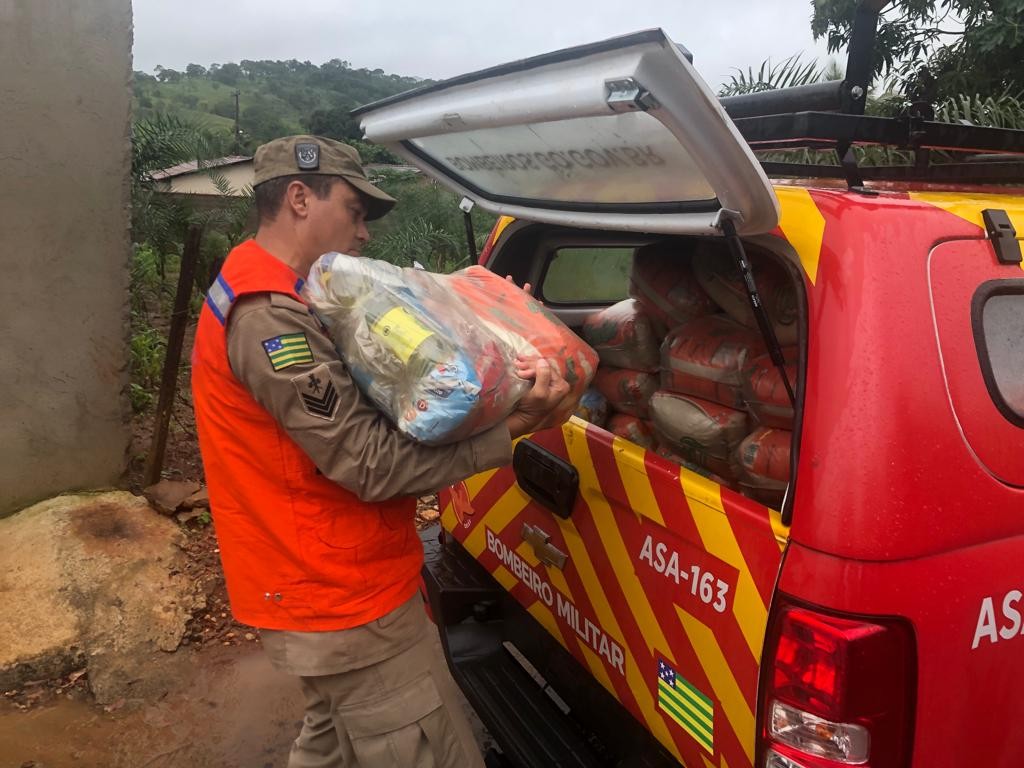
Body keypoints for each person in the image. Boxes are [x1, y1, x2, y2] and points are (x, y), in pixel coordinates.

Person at [191, 135, 570, 768]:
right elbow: (368, 463)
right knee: (426, 745)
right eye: (356, 210)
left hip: (323, 586)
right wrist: (513, 427)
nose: (364, 234)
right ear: (298, 198)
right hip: (341, 596)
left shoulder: (282, 289)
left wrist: (486, 324)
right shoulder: (270, 317)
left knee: (332, 742)